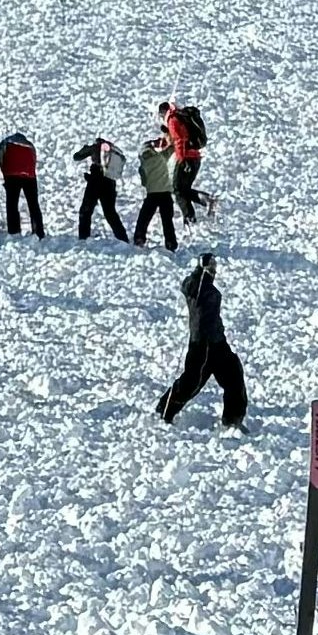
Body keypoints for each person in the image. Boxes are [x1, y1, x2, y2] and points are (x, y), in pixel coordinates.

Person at [161, 253, 248, 428]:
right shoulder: (197, 286)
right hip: (202, 344)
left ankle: (233, 419)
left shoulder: (207, 286)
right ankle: (164, 411)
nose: (214, 271)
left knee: (234, 376)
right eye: (211, 267)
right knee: (191, 382)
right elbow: (189, 287)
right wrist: (200, 273)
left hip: (218, 342)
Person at [129, 135, 181, 249]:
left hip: (152, 194)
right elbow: (171, 149)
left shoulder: (142, 166)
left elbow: (144, 182)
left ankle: (139, 238)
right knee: (167, 221)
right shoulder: (160, 157)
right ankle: (171, 243)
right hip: (166, 193)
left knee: (144, 218)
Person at [75, 138, 123, 241]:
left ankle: (83, 238)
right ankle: (122, 238)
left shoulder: (95, 147)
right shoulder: (114, 150)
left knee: (86, 211)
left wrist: (86, 148)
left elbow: (77, 156)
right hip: (110, 182)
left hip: (95, 182)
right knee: (110, 213)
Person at [0, 131, 44, 237]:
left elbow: (1, 158)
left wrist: (5, 174)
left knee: (12, 204)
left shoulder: (6, 142)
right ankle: (38, 232)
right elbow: (33, 160)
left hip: (12, 175)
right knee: (33, 204)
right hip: (29, 176)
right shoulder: (29, 145)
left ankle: (14, 231)